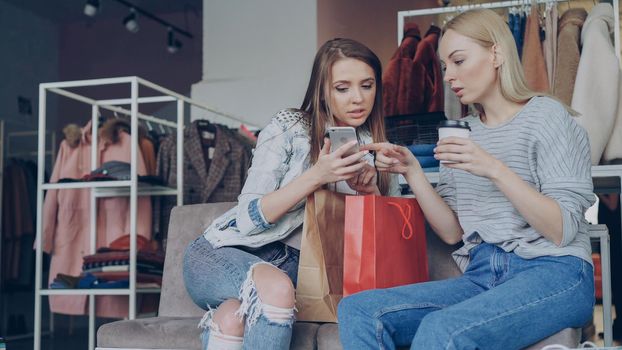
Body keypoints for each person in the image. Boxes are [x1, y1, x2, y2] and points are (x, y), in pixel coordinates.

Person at [337, 9, 595, 350]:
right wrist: (413, 172)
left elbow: (561, 230)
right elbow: (451, 232)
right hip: (483, 273)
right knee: (358, 311)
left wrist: (493, 168)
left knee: (443, 330)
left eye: (458, 61)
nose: (448, 76)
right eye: (445, 66)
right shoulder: (463, 133)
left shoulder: (547, 117)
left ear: (497, 54)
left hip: (555, 271)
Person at [183, 38, 400, 350]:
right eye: (343, 88)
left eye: (367, 85)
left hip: (296, 270)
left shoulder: (376, 148)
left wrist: (371, 192)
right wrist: (317, 176)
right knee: (275, 290)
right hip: (220, 253)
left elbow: (385, 247)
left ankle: (230, 319)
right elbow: (247, 218)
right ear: (322, 90)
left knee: (233, 318)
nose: (357, 98)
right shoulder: (291, 128)